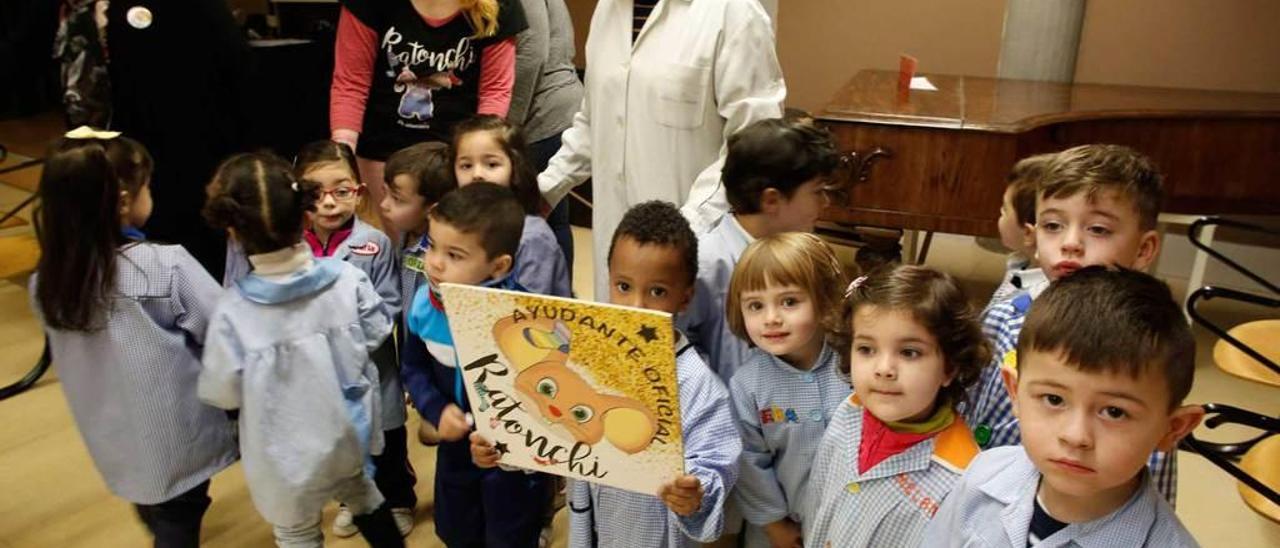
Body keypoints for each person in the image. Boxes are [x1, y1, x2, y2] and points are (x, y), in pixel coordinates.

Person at [471, 200, 741, 547]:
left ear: (685, 298)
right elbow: (549, 431)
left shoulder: (696, 383)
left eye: (658, 291)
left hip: (651, 534)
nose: (636, 306)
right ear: (608, 279)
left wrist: (694, 492)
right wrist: (502, 446)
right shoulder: (583, 357)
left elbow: (717, 460)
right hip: (591, 523)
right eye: (624, 286)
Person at [30, 128, 237, 548]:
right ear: (124, 201)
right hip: (174, 434)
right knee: (180, 515)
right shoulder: (163, 266)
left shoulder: (46, 281)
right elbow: (225, 331)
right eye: (147, 186)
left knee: (156, 503)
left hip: (114, 436)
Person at [198, 152, 402, 547]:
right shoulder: (347, 278)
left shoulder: (233, 311)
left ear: (232, 231)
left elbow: (221, 390)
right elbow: (377, 330)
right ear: (304, 212)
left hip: (281, 454)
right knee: (365, 499)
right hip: (348, 432)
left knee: (296, 531)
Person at [924, 267, 1204, 547]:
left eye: (1114, 412)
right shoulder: (981, 477)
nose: (1075, 436)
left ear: (1173, 429)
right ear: (1015, 393)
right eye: (1054, 399)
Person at [964, 144, 1179, 505]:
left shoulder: (1149, 352)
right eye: (1053, 225)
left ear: (1144, 250)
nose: (1070, 243)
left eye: (1097, 229)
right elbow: (970, 404)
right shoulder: (1005, 315)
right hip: (981, 492)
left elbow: (1152, 478)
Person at [536, 0, 786, 300]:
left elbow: (753, 144)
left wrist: (684, 227)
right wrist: (543, 190)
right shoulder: (608, 10)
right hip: (617, 255)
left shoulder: (733, 12)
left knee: (688, 344)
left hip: (696, 253)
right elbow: (593, 121)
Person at [400, 182, 552, 546]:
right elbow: (413, 367)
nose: (434, 262)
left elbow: (549, 394)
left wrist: (507, 441)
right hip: (454, 450)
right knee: (457, 529)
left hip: (511, 461)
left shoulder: (530, 320)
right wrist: (436, 410)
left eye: (454, 255)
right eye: (432, 245)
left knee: (510, 534)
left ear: (498, 265)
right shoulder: (423, 304)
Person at [803, 265, 991, 547]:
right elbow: (817, 496)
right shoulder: (849, 410)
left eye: (909, 352)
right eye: (866, 349)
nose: (884, 369)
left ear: (949, 368)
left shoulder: (960, 478)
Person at [286, 141, 417, 538]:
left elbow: (389, 307)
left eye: (341, 190)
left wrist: (342, 343)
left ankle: (397, 499)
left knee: (388, 440)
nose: (329, 203)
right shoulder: (291, 249)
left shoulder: (374, 243)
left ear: (359, 193)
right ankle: (352, 499)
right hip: (318, 376)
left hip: (371, 369)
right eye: (315, 193)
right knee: (341, 441)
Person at [330, 0, 528, 233]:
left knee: (450, 244)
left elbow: (494, 91)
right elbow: (351, 84)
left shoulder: (500, 5)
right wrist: (341, 160)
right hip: (380, 151)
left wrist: (475, 159)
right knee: (389, 249)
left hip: (452, 156)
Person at [682, 118, 839, 384]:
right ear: (771, 200)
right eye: (817, 192)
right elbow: (677, 346)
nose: (825, 202)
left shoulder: (807, 251)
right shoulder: (707, 263)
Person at [725, 233, 850, 548]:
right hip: (780, 533)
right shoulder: (746, 385)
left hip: (849, 523)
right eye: (755, 305)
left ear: (824, 301)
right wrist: (773, 523)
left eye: (789, 301)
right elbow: (749, 461)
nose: (771, 318)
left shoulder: (853, 365)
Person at [453, 114, 571, 297]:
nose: (477, 174)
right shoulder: (454, 224)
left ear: (515, 168)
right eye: (466, 166)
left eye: (491, 164)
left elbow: (530, 313)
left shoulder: (532, 237)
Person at [510, 0, 584, 270]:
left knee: (531, 219)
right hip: (557, 104)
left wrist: (507, 128)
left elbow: (532, 54)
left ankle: (552, 300)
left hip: (541, 111)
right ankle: (561, 300)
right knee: (553, 218)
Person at [985, 153, 1055, 313]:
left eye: (1005, 210)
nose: (1000, 213)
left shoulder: (1031, 306)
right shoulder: (1022, 264)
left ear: (1028, 233)